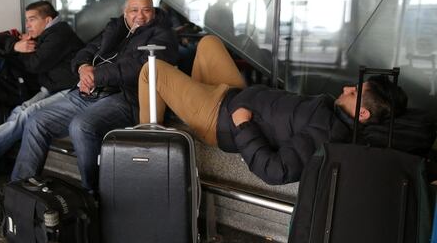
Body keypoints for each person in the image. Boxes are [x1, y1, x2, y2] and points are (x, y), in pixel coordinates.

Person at [0, 0, 178, 195]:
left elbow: (139, 67)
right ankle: (20, 190)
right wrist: (83, 68)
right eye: (134, 10)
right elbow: (86, 50)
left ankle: (92, 192)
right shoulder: (116, 27)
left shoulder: (162, 35)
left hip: (124, 97)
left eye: (146, 10)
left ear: (153, 11)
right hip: (88, 91)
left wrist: (96, 75)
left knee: (81, 126)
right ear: (125, 12)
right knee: (36, 120)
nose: (140, 15)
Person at [138, 35, 408, 185]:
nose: (348, 88)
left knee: (152, 71)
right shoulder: (332, 113)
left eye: (355, 92)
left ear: (363, 114)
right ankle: (187, 107)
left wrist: (243, 126)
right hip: (234, 94)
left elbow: (276, 171)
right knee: (209, 42)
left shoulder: (327, 134)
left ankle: (146, 145)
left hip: (220, 117)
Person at [0, 1, 84, 181]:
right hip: (52, 87)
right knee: (20, 111)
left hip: (69, 90)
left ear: (47, 20)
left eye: (32, 20)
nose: (28, 25)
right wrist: (16, 46)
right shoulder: (46, 33)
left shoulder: (60, 34)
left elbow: (34, 64)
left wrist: (18, 48)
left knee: (28, 114)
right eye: (27, 20)